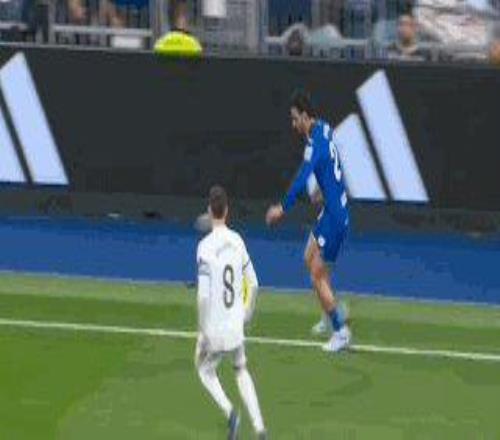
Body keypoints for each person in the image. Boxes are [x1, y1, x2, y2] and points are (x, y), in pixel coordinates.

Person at [265, 90, 351, 353]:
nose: (293, 124)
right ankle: (330, 312)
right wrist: (324, 191)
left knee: (317, 275)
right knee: (308, 257)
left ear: (305, 116)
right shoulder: (323, 129)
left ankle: (341, 331)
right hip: (331, 210)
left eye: (295, 119)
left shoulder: (315, 144)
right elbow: (331, 167)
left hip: (335, 217)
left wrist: (282, 208)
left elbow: (302, 178)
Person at [196, 185, 267, 440]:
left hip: (215, 328)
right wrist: (247, 313)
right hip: (236, 325)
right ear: (226, 211)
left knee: (204, 370)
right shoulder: (237, 241)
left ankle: (231, 414)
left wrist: (203, 333)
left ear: (210, 210)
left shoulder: (204, 247)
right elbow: (255, 283)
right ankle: (260, 428)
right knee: (240, 369)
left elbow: (204, 295)